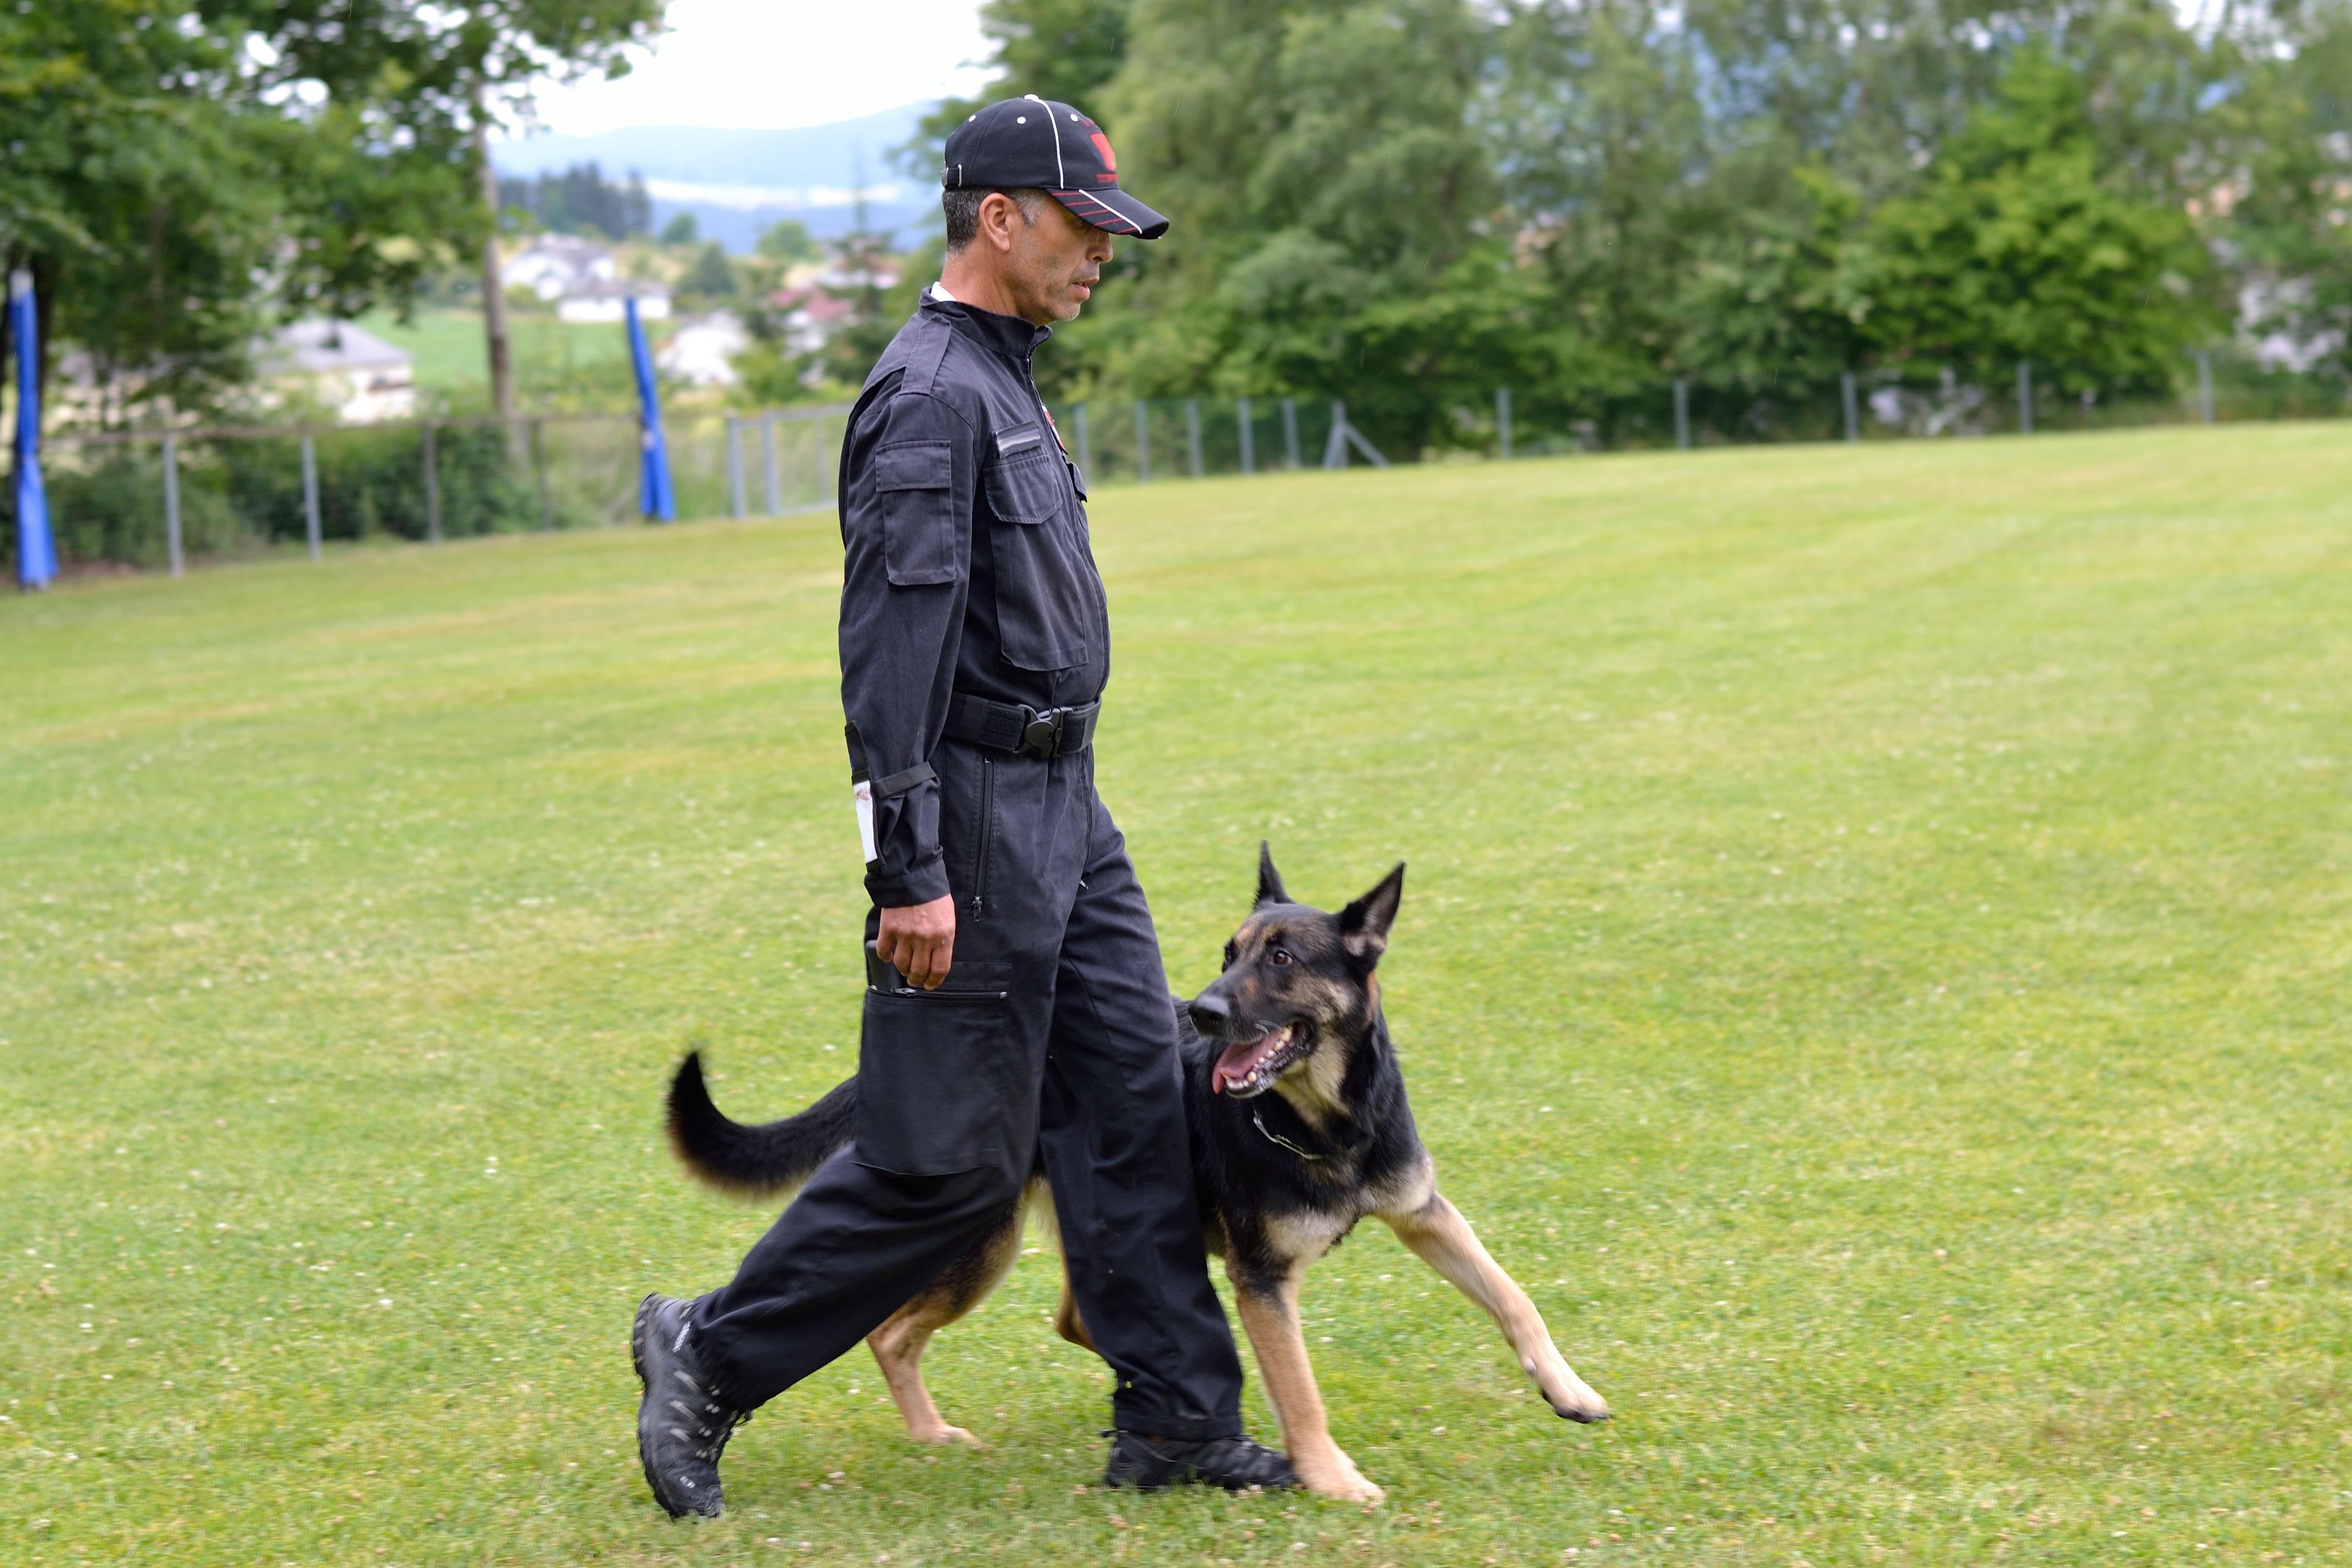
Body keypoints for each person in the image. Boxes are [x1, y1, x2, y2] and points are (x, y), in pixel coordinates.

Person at [631, 95, 1298, 1518]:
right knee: (951, 1164)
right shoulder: (932, 396)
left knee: (1133, 1108)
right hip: (977, 820)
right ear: (1001, 219)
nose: (1101, 256)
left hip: (1071, 806)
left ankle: (1179, 1423)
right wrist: (907, 869)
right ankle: (704, 1350)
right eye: (1082, 228)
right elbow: (888, 659)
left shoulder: (1005, 375)